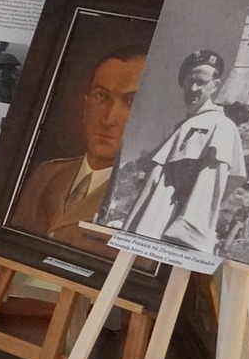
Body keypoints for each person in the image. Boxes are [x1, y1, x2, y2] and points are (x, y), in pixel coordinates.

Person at [8, 45, 146, 252]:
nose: (108, 120)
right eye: (101, 96)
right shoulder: (46, 174)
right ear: (85, 106)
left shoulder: (150, 199)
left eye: (131, 102)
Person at [118, 49, 246, 254]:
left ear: (215, 85)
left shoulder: (220, 125)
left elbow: (210, 185)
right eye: (189, 81)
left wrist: (188, 234)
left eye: (201, 82)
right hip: (143, 227)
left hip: (168, 236)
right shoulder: (183, 126)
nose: (193, 88)